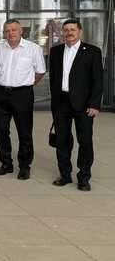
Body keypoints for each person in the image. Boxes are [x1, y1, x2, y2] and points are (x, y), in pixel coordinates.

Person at [49, 19, 103, 191]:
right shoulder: (55, 51)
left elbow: (98, 80)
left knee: (85, 141)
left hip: (84, 105)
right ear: (62, 33)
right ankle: (65, 175)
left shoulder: (93, 51)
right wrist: (54, 102)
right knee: (62, 140)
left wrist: (94, 104)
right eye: (66, 30)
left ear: (79, 31)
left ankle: (84, 177)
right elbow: (53, 79)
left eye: (72, 29)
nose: (69, 32)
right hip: (61, 103)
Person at [0, 19, 46, 180]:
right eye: (7, 30)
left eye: (14, 30)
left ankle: (24, 166)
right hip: (1, 93)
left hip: (22, 94)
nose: (10, 33)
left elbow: (40, 72)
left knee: (24, 132)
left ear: (21, 31)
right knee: (1, 130)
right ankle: (6, 164)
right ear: (4, 33)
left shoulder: (33, 49)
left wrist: (26, 84)